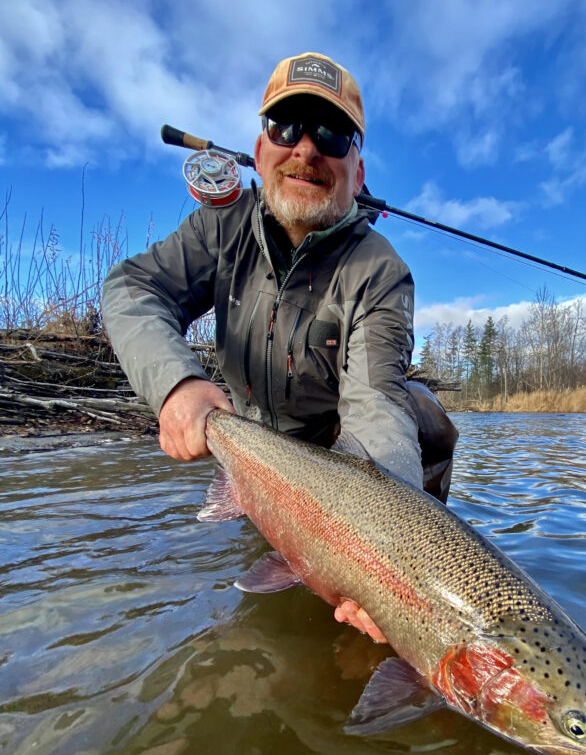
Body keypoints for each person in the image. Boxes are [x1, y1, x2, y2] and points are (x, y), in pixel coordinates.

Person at [102, 51, 457, 642]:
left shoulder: (380, 271)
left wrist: (390, 560)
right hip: (248, 441)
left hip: (340, 465)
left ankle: (431, 559)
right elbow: (133, 289)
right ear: (260, 149)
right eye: (286, 127)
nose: (307, 149)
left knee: (425, 412)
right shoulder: (221, 227)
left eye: (333, 134)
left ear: (358, 173)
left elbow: (376, 407)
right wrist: (177, 385)